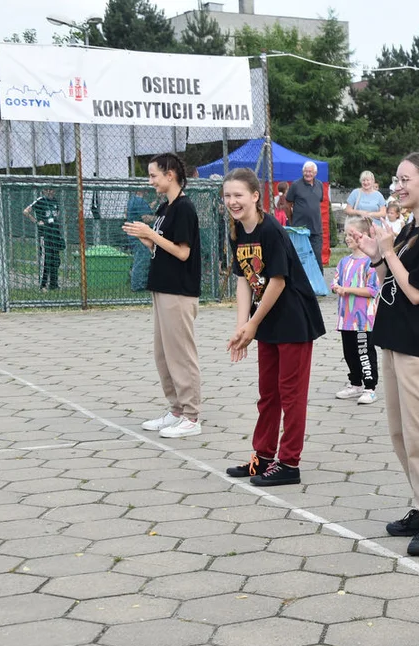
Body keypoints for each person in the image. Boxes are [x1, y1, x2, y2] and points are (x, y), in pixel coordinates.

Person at [356, 151, 419, 556]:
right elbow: (390, 282)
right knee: (400, 434)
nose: (397, 186)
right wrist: (376, 254)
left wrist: (390, 253)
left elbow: (416, 292)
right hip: (394, 340)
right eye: (395, 179)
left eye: (405, 179)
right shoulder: (411, 228)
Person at [223, 168, 327, 486]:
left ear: (255, 196)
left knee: (290, 394)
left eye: (238, 195)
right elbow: (244, 278)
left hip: (293, 319)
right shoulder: (238, 231)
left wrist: (253, 324)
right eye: (227, 196)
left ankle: (289, 463)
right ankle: (263, 457)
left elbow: (277, 282)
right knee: (268, 394)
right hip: (266, 320)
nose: (232, 201)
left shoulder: (270, 230)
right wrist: (242, 326)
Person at [122, 153, 203, 439]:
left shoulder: (184, 208)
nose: (151, 181)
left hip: (179, 292)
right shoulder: (164, 208)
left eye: (154, 175)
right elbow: (163, 250)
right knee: (163, 355)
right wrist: (147, 239)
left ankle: (191, 416)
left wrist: (152, 235)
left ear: (170, 175)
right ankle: (176, 410)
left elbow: (183, 252)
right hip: (162, 287)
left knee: (180, 354)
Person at [333, 216, 380, 406]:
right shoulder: (344, 261)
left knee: (364, 351)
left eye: (351, 233)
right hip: (346, 318)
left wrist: (348, 290)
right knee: (349, 351)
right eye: (346, 234)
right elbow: (335, 280)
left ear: (364, 235)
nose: (347, 237)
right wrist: (336, 286)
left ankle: (370, 387)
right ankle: (355, 383)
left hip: (363, 319)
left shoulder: (371, 263)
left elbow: (372, 290)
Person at [285, 161, 325, 270]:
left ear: (315, 173)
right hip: (300, 230)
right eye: (306, 171)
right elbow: (287, 205)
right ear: (303, 172)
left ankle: (319, 285)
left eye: (310, 172)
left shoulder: (320, 185)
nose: (308, 174)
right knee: (300, 259)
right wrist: (292, 221)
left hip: (316, 229)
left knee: (317, 258)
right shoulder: (295, 185)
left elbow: (317, 203)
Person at [24, 188, 64, 292]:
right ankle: (43, 285)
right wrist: (37, 221)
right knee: (46, 259)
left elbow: (57, 213)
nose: (50, 192)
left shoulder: (55, 201)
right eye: (48, 190)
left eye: (52, 190)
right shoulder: (40, 200)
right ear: (44, 191)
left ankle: (54, 284)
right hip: (45, 234)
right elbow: (26, 211)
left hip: (55, 234)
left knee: (56, 260)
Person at [125, 189, 155, 292]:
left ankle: (140, 283)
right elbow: (146, 218)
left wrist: (157, 201)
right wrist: (161, 218)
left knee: (140, 257)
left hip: (134, 235)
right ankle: (138, 285)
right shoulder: (139, 201)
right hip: (139, 236)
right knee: (142, 258)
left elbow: (146, 209)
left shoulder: (133, 200)